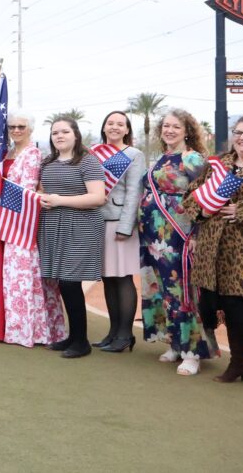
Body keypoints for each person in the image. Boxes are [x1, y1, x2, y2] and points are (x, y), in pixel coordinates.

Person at [183, 114, 243, 395]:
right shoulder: (218, 164)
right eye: (239, 132)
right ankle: (239, 364)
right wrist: (202, 209)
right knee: (233, 311)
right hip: (218, 255)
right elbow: (191, 195)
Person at [139, 109, 213, 376]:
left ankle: (193, 351)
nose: (169, 131)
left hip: (179, 235)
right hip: (153, 236)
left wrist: (197, 234)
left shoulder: (192, 158)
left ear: (187, 131)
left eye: (176, 127)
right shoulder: (161, 158)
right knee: (160, 290)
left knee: (181, 291)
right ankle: (175, 342)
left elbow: (205, 198)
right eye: (166, 126)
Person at [0, 109, 66, 347]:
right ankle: (9, 325)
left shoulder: (33, 154)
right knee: (10, 274)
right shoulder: (8, 152)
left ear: (30, 128)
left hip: (21, 224)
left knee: (22, 274)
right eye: (12, 127)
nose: (17, 130)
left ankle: (28, 329)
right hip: (4, 220)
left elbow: (28, 190)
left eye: (21, 126)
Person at [37, 116, 107, 359]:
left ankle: (81, 342)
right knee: (62, 281)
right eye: (55, 132)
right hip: (53, 225)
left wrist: (60, 201)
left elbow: (98, 197)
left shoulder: (88, 161)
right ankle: (73, 336)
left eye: (64, 131)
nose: (59, 136)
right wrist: (43, 198)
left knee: (70, 281)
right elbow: (44, 190)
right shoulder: (47, 162)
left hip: (82, 226)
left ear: (75, 135)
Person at [92, 111, 146, 353]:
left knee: (122, 278)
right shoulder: (94, 153)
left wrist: (126, 226)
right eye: (110, 123)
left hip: (119, 223)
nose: (114, 127)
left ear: (127, 130)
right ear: (104, 127)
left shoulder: (134, 154)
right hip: (97, 221)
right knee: (108, 278)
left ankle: (125, 334)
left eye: (120, 124)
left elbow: (134, 192)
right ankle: (113, 332)